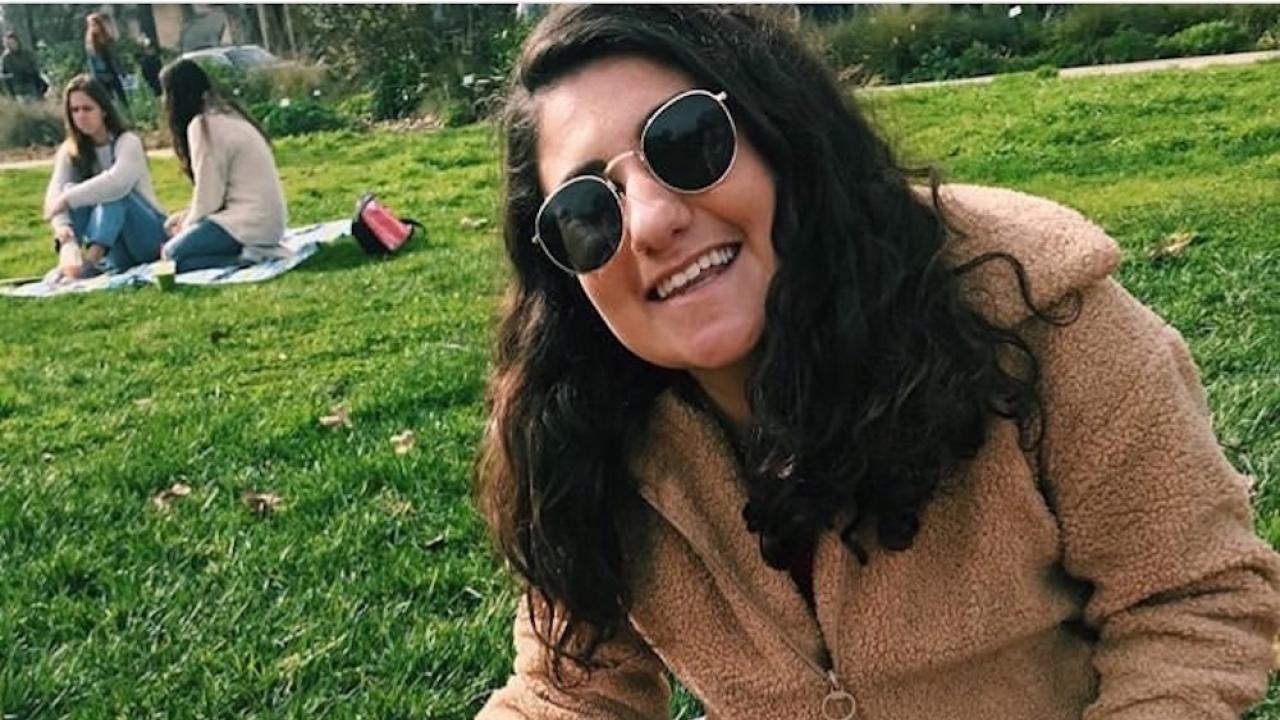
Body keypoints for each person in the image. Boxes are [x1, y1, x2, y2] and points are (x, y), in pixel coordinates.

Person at [474, 6, 1280, 720]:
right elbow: (571, 692)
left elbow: (1192, 599)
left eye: (686, 142)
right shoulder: (581, 423)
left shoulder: (1031, 308)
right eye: (584, 211)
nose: (648, 223)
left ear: (781, 133)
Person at [158, 59, 289, 272]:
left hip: (249, 223)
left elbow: (209, 196)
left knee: (172, 255)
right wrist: (187, 217)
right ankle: (247, 253)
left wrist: (187, 227)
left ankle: (249, 257)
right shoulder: (228, 114)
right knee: (174, 235)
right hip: (265, 223)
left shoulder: (204, 125)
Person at [41, 74, 166, 280]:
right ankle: (73, 261)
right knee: (70, 187)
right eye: (75, 110)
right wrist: (63, 231)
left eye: (88, 109)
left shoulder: (128, 142)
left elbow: (117, 183)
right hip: (115, 249)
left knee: (114, 194)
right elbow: (54, 195)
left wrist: (67, 200)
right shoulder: (70, 150)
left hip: (147, 236)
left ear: (104, 110)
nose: (81, 116)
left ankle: (90, 262)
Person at [85, 12, 128, 109]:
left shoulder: (108, 39)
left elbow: (115, 57)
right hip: (101, 76)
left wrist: (121, 70)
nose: (94, 28)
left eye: (96, 24)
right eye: (92, 25)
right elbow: (93, 63)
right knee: (106, 102)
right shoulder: (91, 44)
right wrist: (99, 77)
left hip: (113, 73)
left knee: (122, 100)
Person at [1, 31, 47, 100]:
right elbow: (3, 73)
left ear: (17, 42)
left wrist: (29, 72)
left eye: (13, 43)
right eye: (9, 43)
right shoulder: (6, 57)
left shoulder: (26, 54)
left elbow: (35, 68)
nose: (12, 45)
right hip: (15, 84)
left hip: (30, 81)